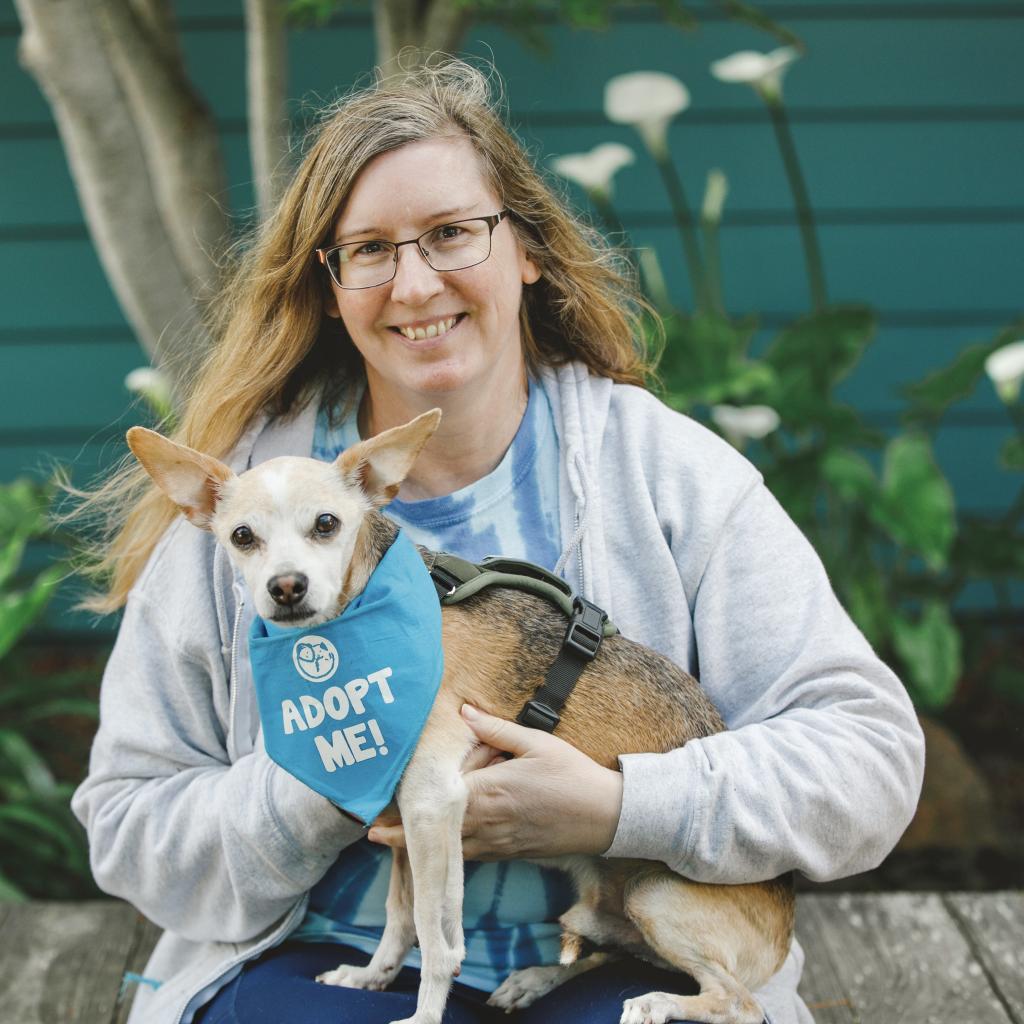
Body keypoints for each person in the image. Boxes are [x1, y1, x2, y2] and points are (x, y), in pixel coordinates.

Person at [71, 59, 924, 1024]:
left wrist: (620, 807)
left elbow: (869, 758)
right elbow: (128, 820)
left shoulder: (673, 478)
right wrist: (322, 777)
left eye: (450, 234)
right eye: (369, 250)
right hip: (319, 962)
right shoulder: (244, 516)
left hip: (619, 959)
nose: (414, 282)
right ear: (331, 284)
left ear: (525, 248)